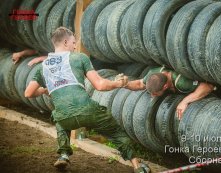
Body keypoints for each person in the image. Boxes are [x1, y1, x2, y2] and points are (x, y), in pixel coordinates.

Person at [24, 27, 149, 173]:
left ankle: (64, 155)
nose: (75, 46)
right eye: (73, 42)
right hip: (88, 111)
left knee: (59, 117)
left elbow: (28, 93)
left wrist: (45, 90)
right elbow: (100, 85)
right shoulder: (80, 58)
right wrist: (118, 83)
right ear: (65, 42)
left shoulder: (42, 67)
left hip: (65, 116)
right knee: (115, 132)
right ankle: (137, 165)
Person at [124, 67, 215, 120]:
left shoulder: (181, 82)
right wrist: (125, 84)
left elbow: (208, 87)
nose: (152, 96)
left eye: (155, 93)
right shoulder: (153, 75)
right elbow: (140, 84)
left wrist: (184, 102)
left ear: (165, 87)